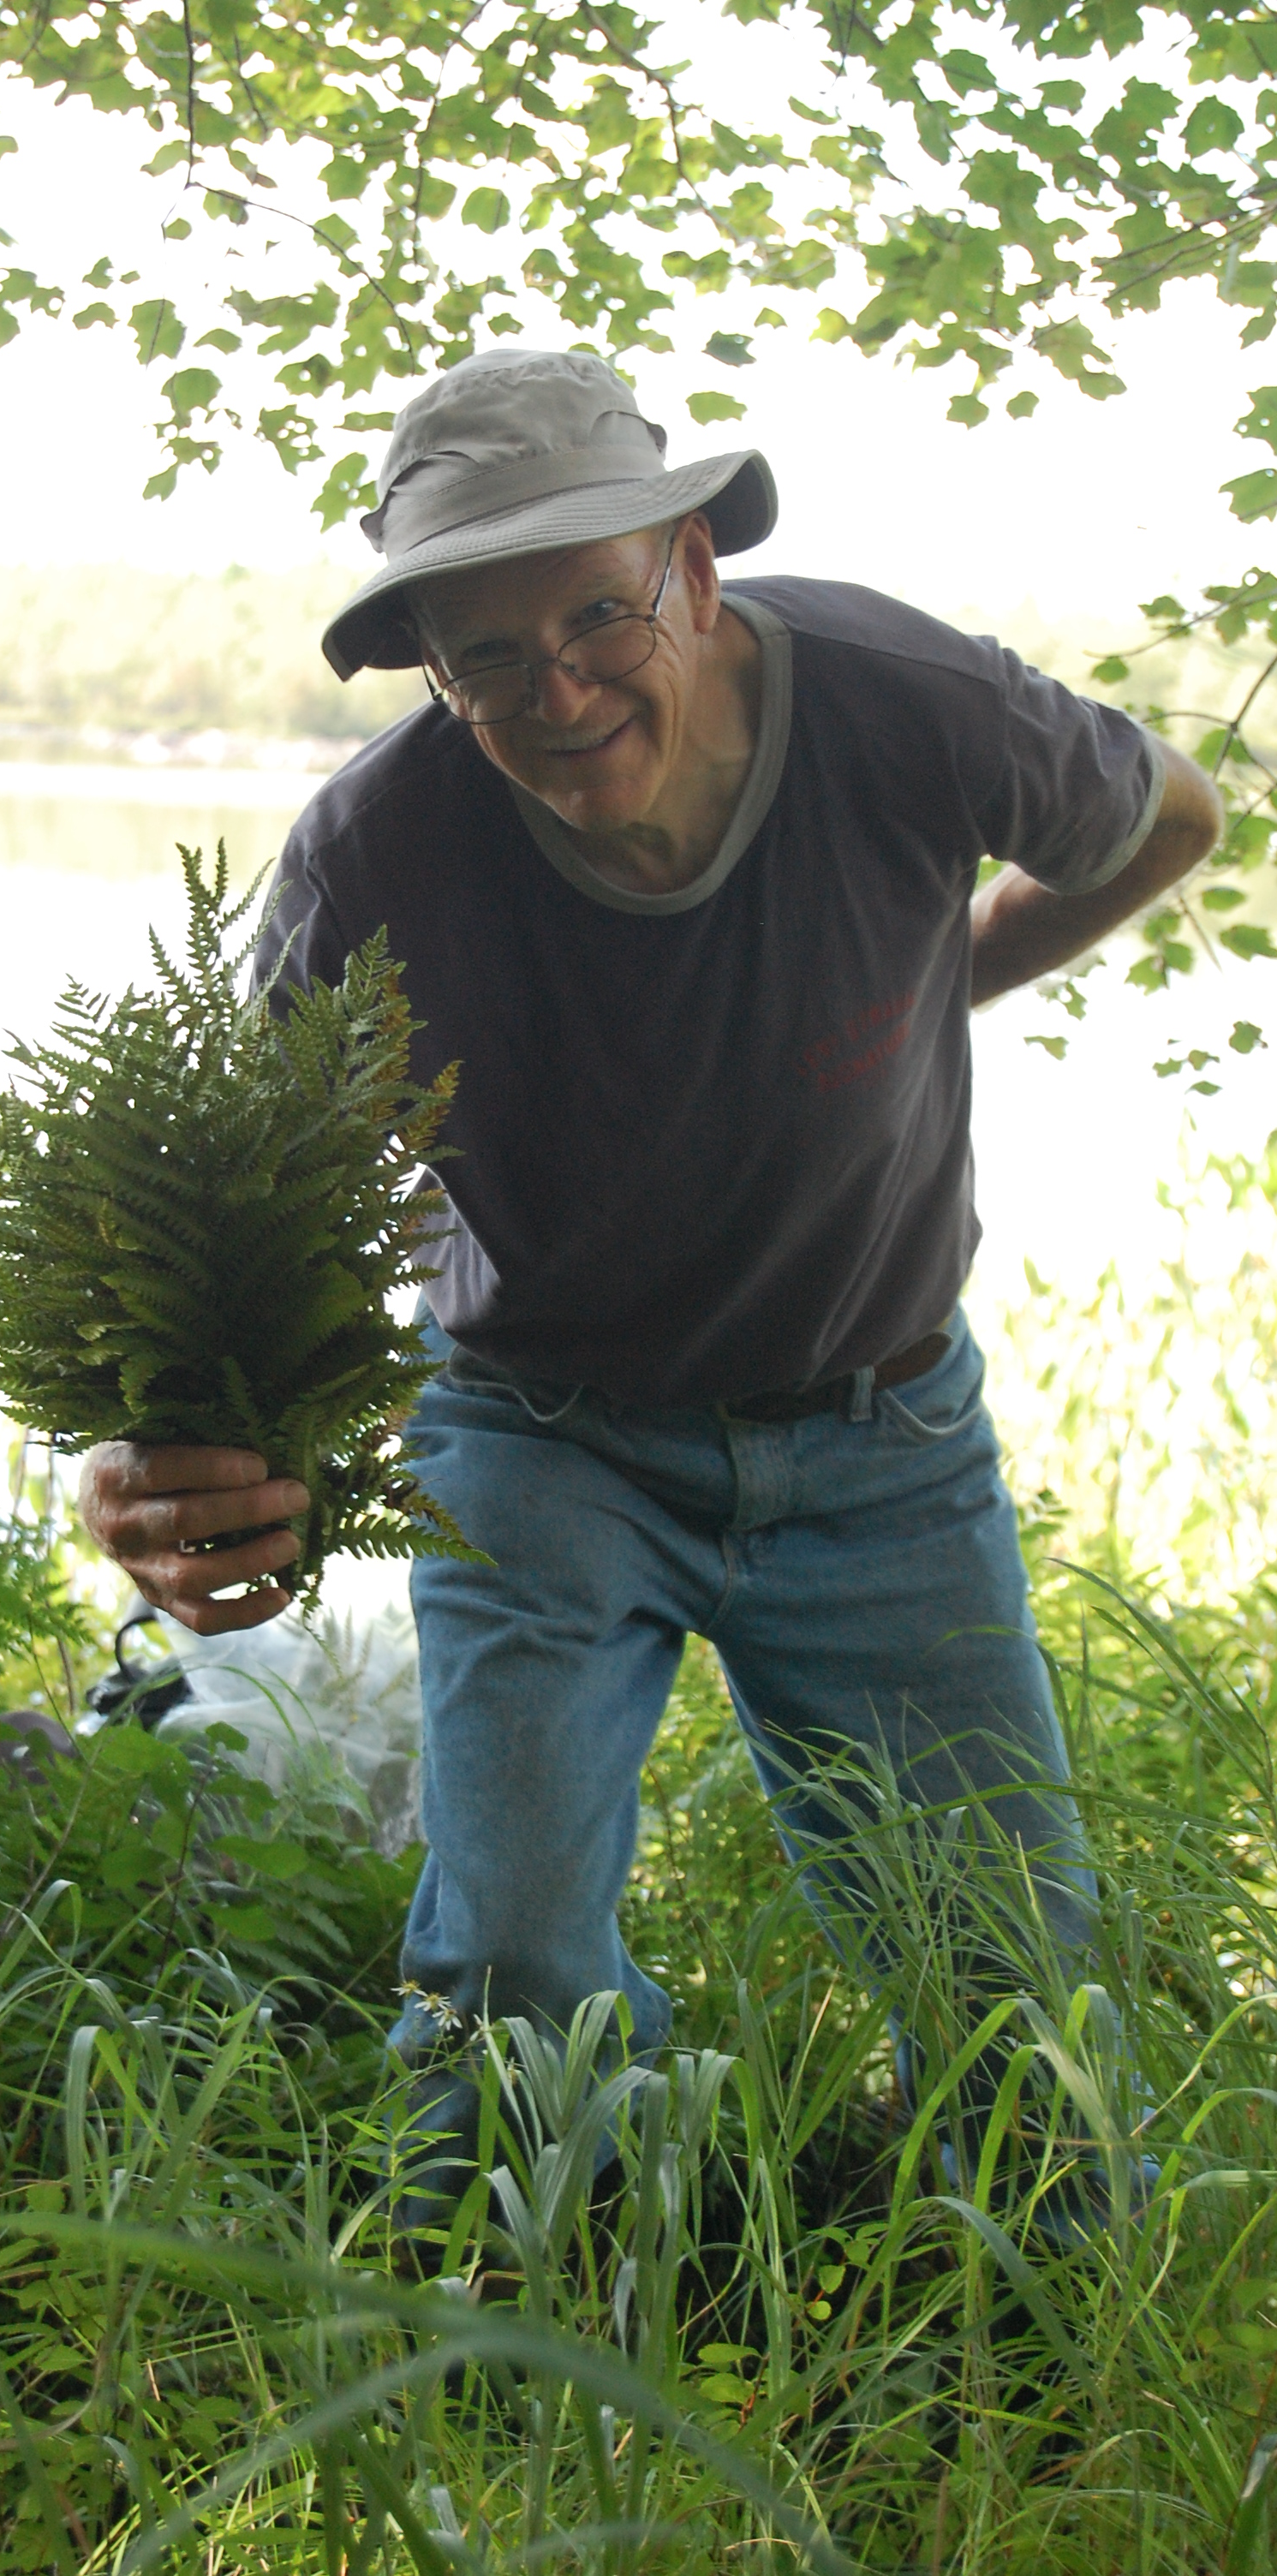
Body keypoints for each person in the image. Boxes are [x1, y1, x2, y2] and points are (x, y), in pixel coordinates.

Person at [78, 347, 1221, 2215]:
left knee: (1010, 1974)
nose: (561, 687)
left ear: (692, 566)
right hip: (540, 1440)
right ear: (434, 670)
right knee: (510, 1963)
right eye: (491, 657)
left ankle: (1053, 2344)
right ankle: (578, 2293)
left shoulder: (898, 699)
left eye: (598, 613)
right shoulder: (378, 854)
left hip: (881, 1440)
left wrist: (950, 982)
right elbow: (226, 1208)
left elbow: (1164, 818)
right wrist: (148, 1450)